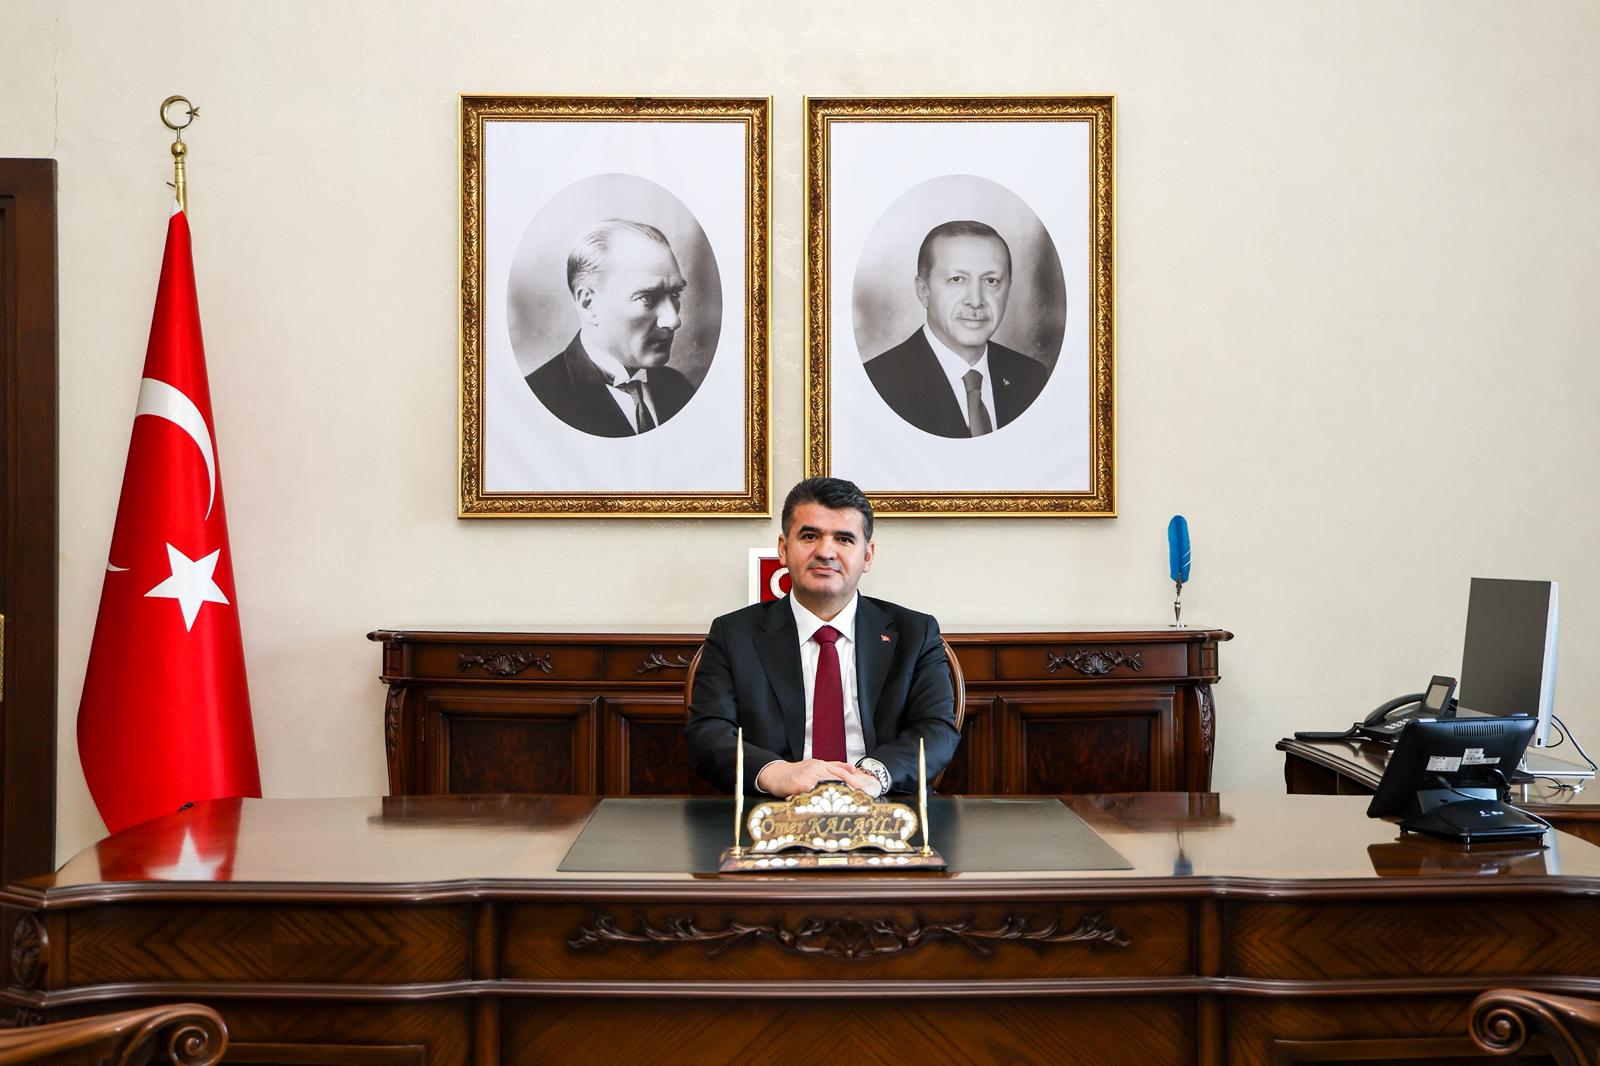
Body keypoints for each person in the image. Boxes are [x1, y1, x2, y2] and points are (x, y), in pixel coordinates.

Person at [686, 477, 959, 796]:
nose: (825, 551)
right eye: (809, 536)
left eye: (844, 539)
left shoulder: (915, 633)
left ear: (867, 555)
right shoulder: (733, 635)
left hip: (885, 804)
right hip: (772, 809)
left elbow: (936, 730)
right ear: (783, 549)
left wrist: (872, 776)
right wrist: (776, 773)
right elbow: (709, 733)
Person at [864, 220, 1049, 439]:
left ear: (1008, 288)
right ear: (923, 291)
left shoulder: (1032, 377)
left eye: (991, 280)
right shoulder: (877, 384)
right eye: (957, 279)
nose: (976, 300)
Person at [525, 219, 696, 437]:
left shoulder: (679, 388)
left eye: (675, 294)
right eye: (647, 298)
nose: (673, 320)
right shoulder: (537, 401)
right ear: (589, 304)